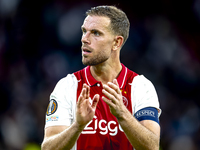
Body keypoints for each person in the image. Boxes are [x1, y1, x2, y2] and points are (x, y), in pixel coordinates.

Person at [41, 5, 161, 150]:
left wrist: (122, 114)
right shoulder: (67, 86)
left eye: (96, 33)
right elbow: (48, 147)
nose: (85, 39)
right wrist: (78, 126)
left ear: (116, 42)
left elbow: (152, 146)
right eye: (84, 31)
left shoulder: (141, 87)